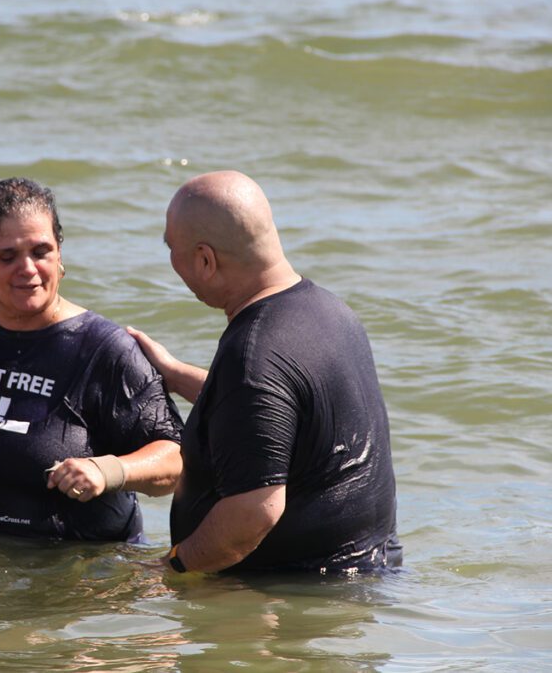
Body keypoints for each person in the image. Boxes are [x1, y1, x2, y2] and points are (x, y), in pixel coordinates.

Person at [127, 170, 401, 574]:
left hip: (297, 589)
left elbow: (255, 511)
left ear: (205, 260)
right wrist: (174, 373)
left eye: (172, 249)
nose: (172, 263)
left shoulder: (254, 353)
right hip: (363, 576)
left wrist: (172, 568)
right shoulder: (329, 312)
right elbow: (272, 415)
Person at [0, 177, 183, 542]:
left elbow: (176, 461)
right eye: (7, 257)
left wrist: (107, 471)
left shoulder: (104, 349)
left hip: (80, 566)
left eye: (41, 252)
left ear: (59, 253)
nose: (27, 268)